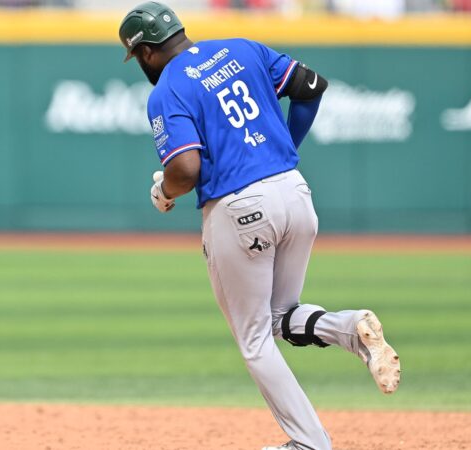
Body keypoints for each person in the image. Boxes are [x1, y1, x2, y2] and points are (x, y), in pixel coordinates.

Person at [119, 3, 400, 449]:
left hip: (239, 208)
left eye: (138, 59)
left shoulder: (167, 88)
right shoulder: (241, 48)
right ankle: (351, 329)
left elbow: (185, 169)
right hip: (296, 192)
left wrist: (166, 193)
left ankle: (310, 442)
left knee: (254, 340)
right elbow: (311, 86)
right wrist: (282, 147)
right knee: (278, 319)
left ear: (147, 52)